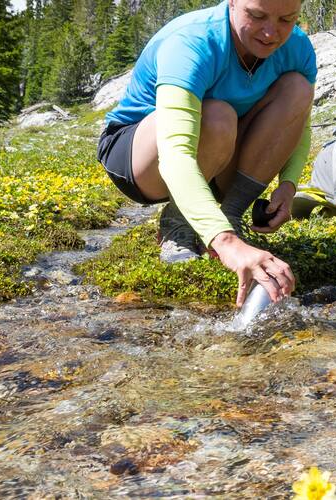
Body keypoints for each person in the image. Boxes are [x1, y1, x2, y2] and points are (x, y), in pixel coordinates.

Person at [97, 0, 315, 308]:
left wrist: (288, 184)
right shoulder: (193, 41)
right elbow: (175, 153)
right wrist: (225, 243)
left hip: (217, 154)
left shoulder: (298, 48)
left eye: (286, 19)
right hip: (141, 156)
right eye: (256, 16)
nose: (270, 33)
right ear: (233, 3)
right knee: (217, 116)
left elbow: (299, 122)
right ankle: (179, 223)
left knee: (298, 89)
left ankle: (230, 214)